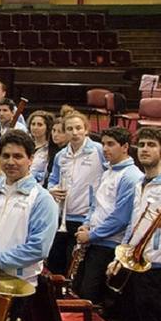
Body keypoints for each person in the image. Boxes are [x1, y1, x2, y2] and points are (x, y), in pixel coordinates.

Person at [107, 127, 161, 321]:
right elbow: (134, 225)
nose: (144, 149)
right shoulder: (140, 183)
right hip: (136, 265)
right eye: (142, 144)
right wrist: (120, 257)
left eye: (151, 145)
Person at [0, 129, 59, 288]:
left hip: (18, 284)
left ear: (31, 159)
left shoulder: (42, 199)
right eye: (6, 156)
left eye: (18, 156)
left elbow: (38, 248)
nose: (10, 162)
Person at [73, 127, 142, 306]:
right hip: (95, 241)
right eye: (103, 144)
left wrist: (91, 235)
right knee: (78, 290)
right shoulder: (108, 171)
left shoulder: (131, 176)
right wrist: (86, 223)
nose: (105, 149)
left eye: (111, 144)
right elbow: (96, 204)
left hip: (109, 245)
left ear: (125, 147)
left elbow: (121, 218)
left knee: (90, 297)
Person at [46, 111, 105, 275]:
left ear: (86, 129)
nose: (75, 132)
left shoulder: (99, 151)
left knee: (73, 267)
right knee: (55, 263)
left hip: (84, 218)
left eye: (79, 128)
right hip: (62, 217)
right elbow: (52, 179)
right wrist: (52, 190)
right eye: (70, 129)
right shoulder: (60, 156)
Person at [27, 110, 55, 184]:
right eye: (33, 124)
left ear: (47, 127)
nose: (35, 127)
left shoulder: (51, 149)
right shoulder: (24, 145)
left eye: (40, 125)